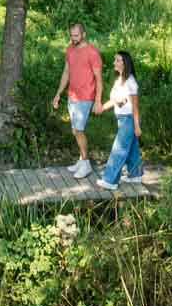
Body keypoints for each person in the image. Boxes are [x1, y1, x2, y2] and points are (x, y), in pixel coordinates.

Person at [48, 21, 101, 179]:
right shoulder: (70, 49)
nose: (73, 38)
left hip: (86, 96)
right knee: (75, 130)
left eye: (76, 35)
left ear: (84, 34)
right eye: (71, 35)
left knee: (78, 130)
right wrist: (58, 93)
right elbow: (66, 72)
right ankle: (81, 160)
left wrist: (98, 100)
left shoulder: (92, 52)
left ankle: (86, 163)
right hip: (72, 95)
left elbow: (99, 78)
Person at [95, 49, 143, 193]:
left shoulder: (130, 82)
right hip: (122, 119)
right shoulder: (119, 80)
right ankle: (135, 175)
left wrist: (137, 126)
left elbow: (135, 107)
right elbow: (114, 100)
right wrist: (102, 108)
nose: (114, 62)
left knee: (119, 150)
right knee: (132, 149)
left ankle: (110, 180)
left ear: (125, 63)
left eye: (117, 60)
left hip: (129, 119)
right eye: (114, 60)